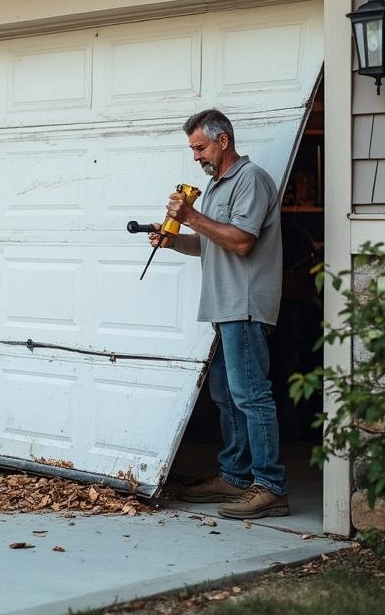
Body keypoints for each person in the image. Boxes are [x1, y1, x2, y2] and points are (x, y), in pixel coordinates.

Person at [149, 108, 289, 519]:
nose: (196, 156)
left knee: (252, 395)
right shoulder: (214, 187)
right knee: (226, 396)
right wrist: (174, 241)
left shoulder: (251, 181)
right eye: (193, 149)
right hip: (223, 305)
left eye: (200, 147)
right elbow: (213, 242)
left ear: (223, 141)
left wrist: (190, 215)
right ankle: (235, 475)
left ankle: (270, 486)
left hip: (244, 305)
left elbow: (242, 241)